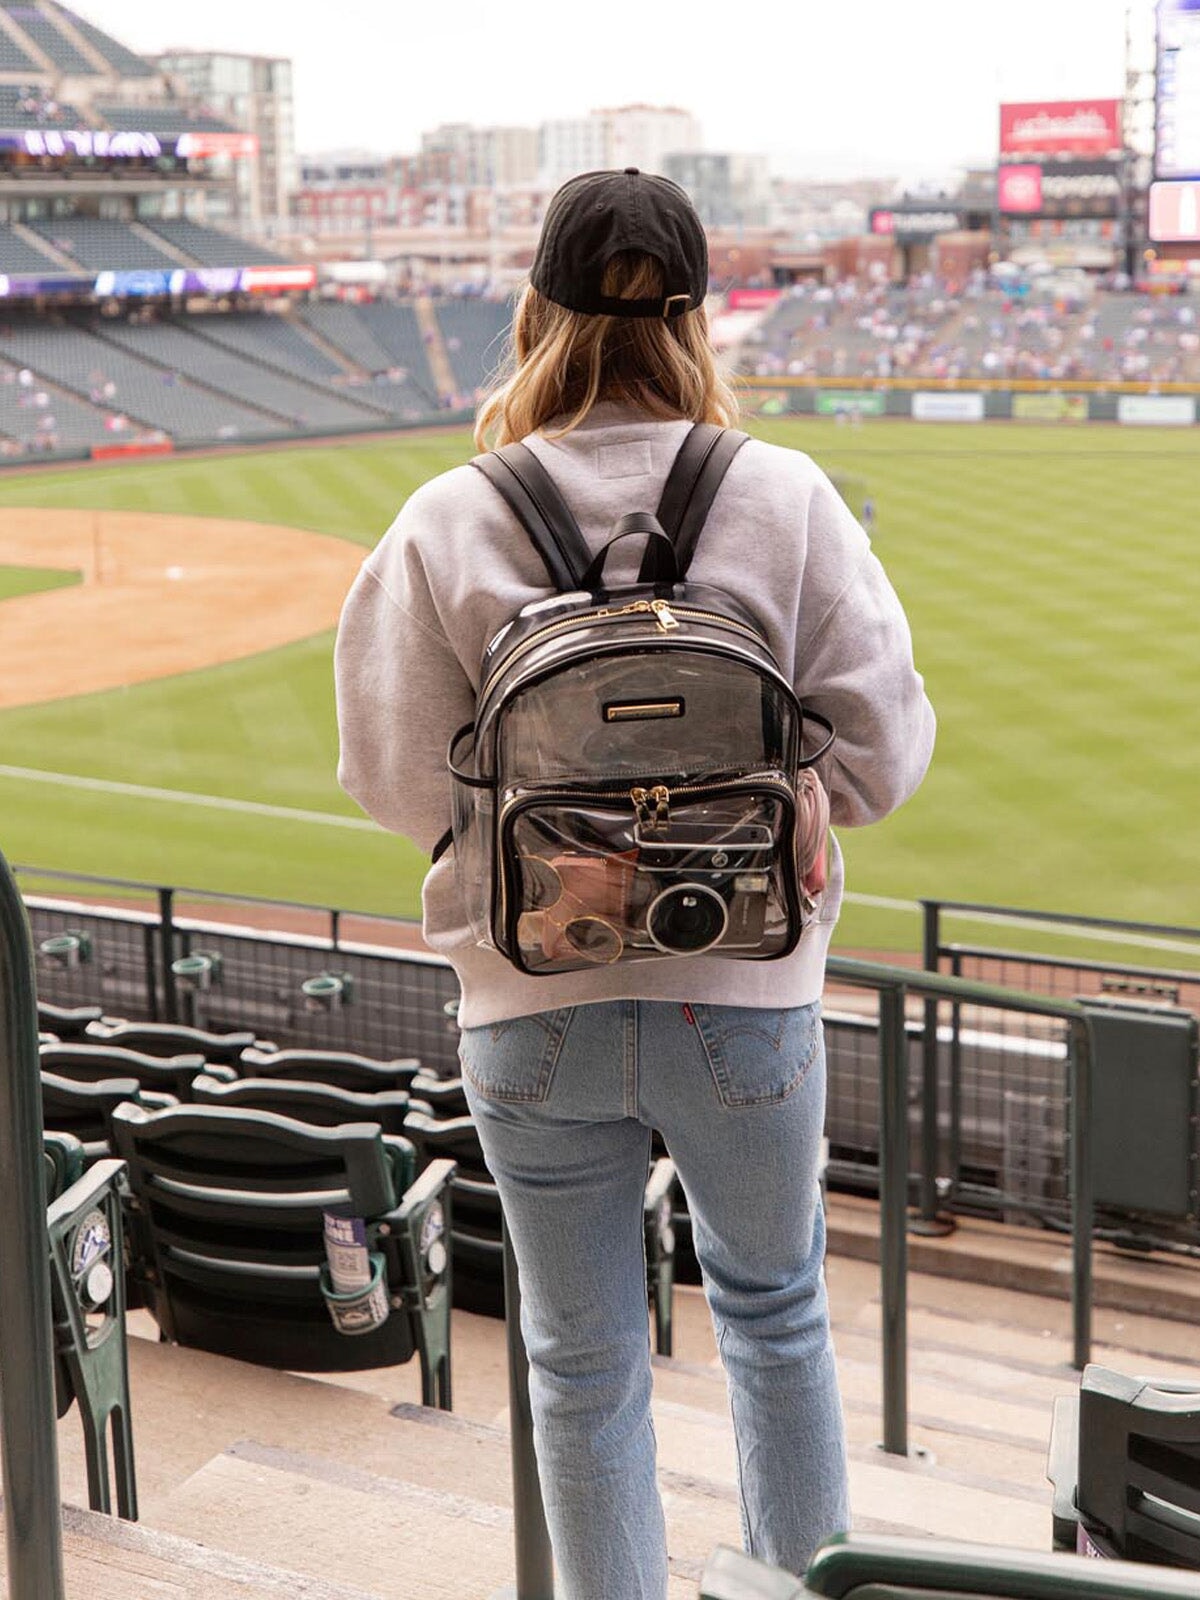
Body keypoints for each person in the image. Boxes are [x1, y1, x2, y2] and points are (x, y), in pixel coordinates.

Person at [334, 168, 935, 1599]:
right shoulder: (781, 493)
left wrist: (556, 846)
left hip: (527, 1004)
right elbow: (888, 746)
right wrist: (782, 806)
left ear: (536, 312)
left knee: (579, 1359)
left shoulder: (447, 513)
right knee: (775, 1318)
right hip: (745, 997)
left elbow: (394, 781)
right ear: (695, 317)